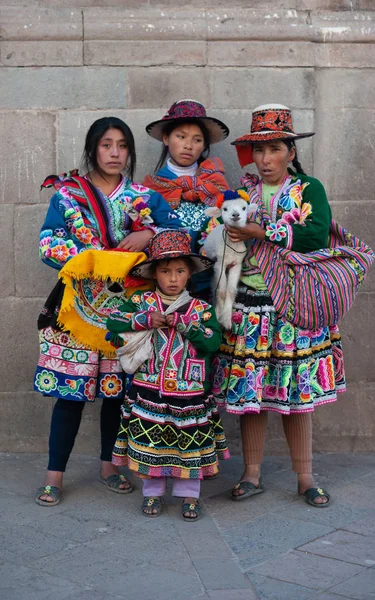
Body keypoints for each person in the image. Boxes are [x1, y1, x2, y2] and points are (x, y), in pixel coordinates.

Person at [34, 117, 183, 506]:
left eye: (122, 146)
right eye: (106, 145)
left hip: (126, 313)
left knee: (117, 395)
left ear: (130, 152)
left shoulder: (144, 197)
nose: (115, 153)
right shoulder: (68, 197)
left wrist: (149, 234)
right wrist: (96, 260)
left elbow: (178, 237)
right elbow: (49, 244)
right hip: (78, 313)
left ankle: (108, 466)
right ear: (92, 149)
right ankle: (54, 477)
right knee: (70, 395)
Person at [212, 104, 346, 507]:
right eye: (258, 151)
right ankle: (252, 474)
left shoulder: (309, 190)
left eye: (274, 150)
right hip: (249, 306)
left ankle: (305, 476)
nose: (265, 159)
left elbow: (316, 236)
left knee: (298, 394)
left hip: (294, 308)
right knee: (252, 397)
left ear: (290, 151)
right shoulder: (243, 192)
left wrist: (262, 230)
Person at [106, 230, 230, 520]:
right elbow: (112, 322)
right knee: (152, 442)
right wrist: (145, 320)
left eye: (179, 271)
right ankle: (152, 494)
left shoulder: (200, 309)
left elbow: (213, 342)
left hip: (189, 393)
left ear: (189, 274)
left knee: (188, 443)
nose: (173, 278)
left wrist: (187, 325)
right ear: (154, 274)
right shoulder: (140, 302)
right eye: (165, 271)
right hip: (149, 389)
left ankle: (189, 496)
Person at [142, 99, 230, 297]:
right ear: (166, 138)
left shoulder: (215, 184)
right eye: (181, 137)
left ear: (204, 145)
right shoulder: (150, 188)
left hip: (212, 285)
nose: (188, 145)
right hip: (167, 287)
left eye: (197, 140)